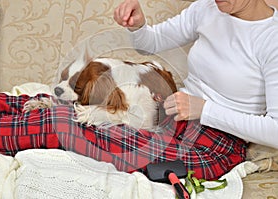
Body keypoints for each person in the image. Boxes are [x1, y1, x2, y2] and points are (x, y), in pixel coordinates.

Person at [114, 0, 278, 177]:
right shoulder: (206, 8)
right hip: (175, 116)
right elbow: (151, 44)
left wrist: (204, 110)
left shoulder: (272, 39)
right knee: (88, 123)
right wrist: (138, 27)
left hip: (220, 141)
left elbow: (275, 131)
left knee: (124, 151)